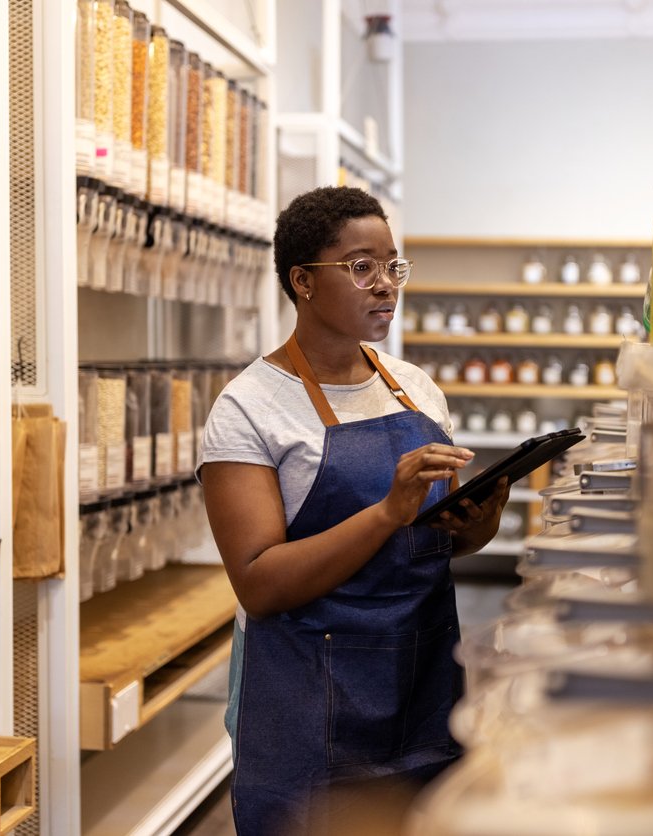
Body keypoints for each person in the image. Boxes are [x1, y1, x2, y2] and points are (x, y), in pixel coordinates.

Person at [199, 186, 508, 835]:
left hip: (422, 686)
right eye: (361, 266)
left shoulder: (413, 388)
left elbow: (439, 545)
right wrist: (385, 511)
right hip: (311, 706)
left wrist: (480, 515)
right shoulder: (249, 408)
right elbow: (259, 583)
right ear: (303, 281)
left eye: (393, 265)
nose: (384, 285)